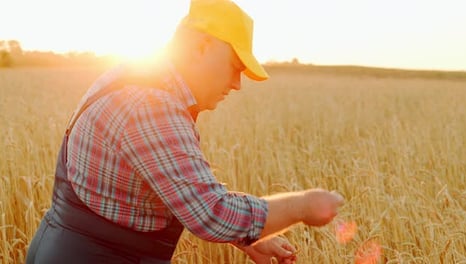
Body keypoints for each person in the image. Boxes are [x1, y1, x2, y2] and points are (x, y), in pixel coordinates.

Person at [26, 0, 345, 263]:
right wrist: (302, 206)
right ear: (201, 46)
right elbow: (211, 213)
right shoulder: (152, 105)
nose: (236, 84)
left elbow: (171, 185)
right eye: (235, 67)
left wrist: (245, 240)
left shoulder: (132, 77)